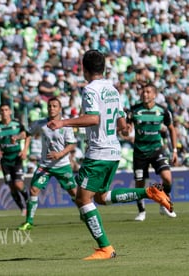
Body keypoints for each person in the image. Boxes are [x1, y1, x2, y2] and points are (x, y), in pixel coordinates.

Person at [47, 49, 173, 260]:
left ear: (84, 69)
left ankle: (105, 247)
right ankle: (148, 193)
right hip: (113, 151)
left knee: (82, 199)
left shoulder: (90, 90)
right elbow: (123, 125)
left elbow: (93, 119)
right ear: (103, 68)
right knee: (101, 197)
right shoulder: (114, 90)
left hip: (98, 151)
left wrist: (63, 122)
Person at [19, 97, 77, 230]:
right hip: (45, 165)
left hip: (62, 165)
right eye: (49, 106)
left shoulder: (65, 124)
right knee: (33, 190)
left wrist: (60, 154)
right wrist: (19, 140)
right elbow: (27, 133)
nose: (51, 108)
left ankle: (84, 212)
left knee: (74, 193)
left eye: (55, 106)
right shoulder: (41, 123)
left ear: (60, 109)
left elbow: (72, 144)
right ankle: (29, 222)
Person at [126, 83, 178, 221]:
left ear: (154, 95)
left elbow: (172, 129)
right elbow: (127, 129)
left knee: (167, 178)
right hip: (139, 152)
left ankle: (163, 202)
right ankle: (141, 211)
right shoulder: (134, 110)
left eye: (148, 92)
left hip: (156, 150)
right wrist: (125, 131)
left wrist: (175, 150)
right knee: (139, 184)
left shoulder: (163, 111)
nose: (145, 94)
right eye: (143, 92)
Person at [0, 102, 30, 215]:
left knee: (18, 184)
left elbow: (27, 135)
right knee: (11, 187)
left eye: (6, 110)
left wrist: (24, 150)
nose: (4, 112)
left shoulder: (17, 124)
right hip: (5, 160)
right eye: (2, 110)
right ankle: (22, 208)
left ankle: (28, 202)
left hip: (16, 158)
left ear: (10, 112)